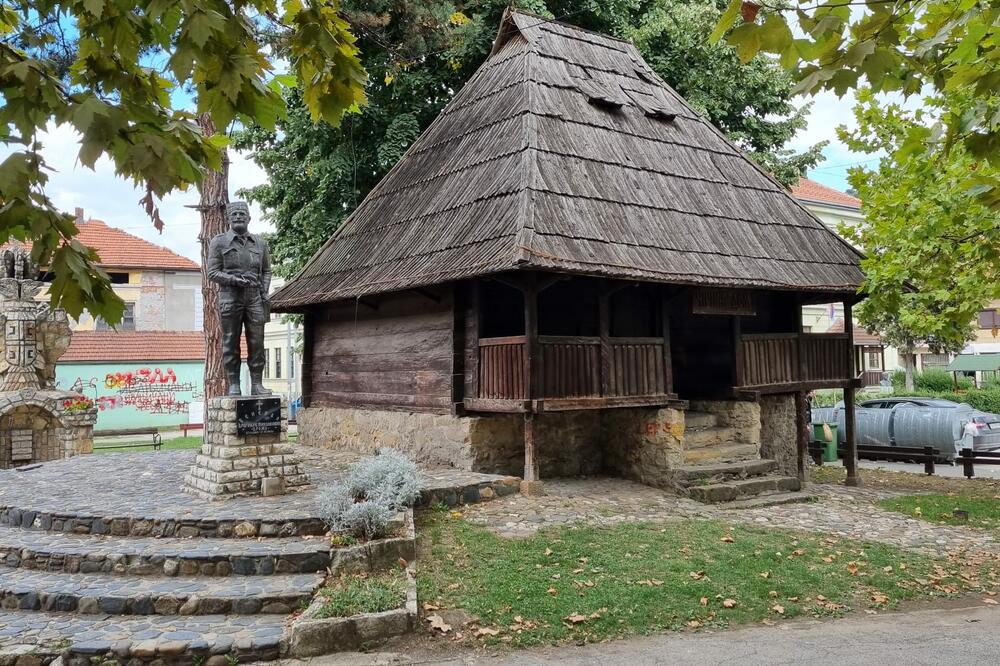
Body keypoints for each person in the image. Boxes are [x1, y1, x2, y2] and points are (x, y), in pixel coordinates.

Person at [207, 202, 272, 396]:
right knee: (230, 341)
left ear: (249, 218)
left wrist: (263, 291)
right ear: (228, 218)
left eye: (242, 214)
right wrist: (234, 280)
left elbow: (267, 270)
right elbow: (212, 272)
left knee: (257, 342)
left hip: (254, 298)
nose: (238, 217)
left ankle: (257, 384)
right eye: (234, 214)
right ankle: (234, 383)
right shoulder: (219, 242)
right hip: (230, 298)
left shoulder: (260, 243)